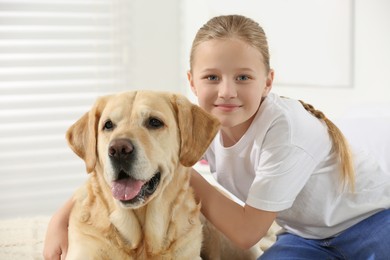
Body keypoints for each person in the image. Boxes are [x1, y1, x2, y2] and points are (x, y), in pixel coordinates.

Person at [44, 14, 390, 259]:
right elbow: (105, 177)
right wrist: (60, 221)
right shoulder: (199, 123)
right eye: (211, 77)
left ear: (268, 81)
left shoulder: (286, 131)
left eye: (243, 77)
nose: (226, 92)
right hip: (307, 239)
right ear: (192, 81)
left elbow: (246, 233)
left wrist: (179, 170)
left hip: (374, 223)